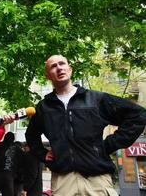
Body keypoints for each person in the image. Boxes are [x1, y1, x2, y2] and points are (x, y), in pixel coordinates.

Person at [25, 54, 146, 196]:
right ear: (48, 76)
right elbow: (31, 135)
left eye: (62, 64)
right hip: (63, 181)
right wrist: (42, 153)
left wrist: (108, 145)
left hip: (97, 180)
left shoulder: (95, 99)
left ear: (70, 69)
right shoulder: (43, 108)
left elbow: (138, 115)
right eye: (53, 66)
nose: (59, 68)